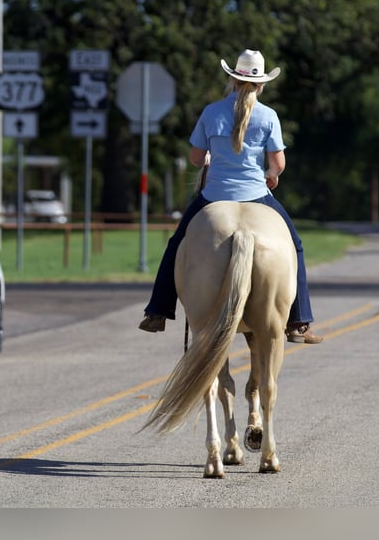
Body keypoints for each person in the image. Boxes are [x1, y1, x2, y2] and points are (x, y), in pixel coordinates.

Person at [138, 48, 323, 344]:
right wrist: (270, 176)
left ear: (233, 80)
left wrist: (213, 158)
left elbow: (197, 158)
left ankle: (157, 311)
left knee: (176, 244)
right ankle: (299, 321)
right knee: (295, 246)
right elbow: (277, 165)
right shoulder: (269, 116)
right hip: (257, 196)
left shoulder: (212, 112)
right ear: (261, 84)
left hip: (214, 196)